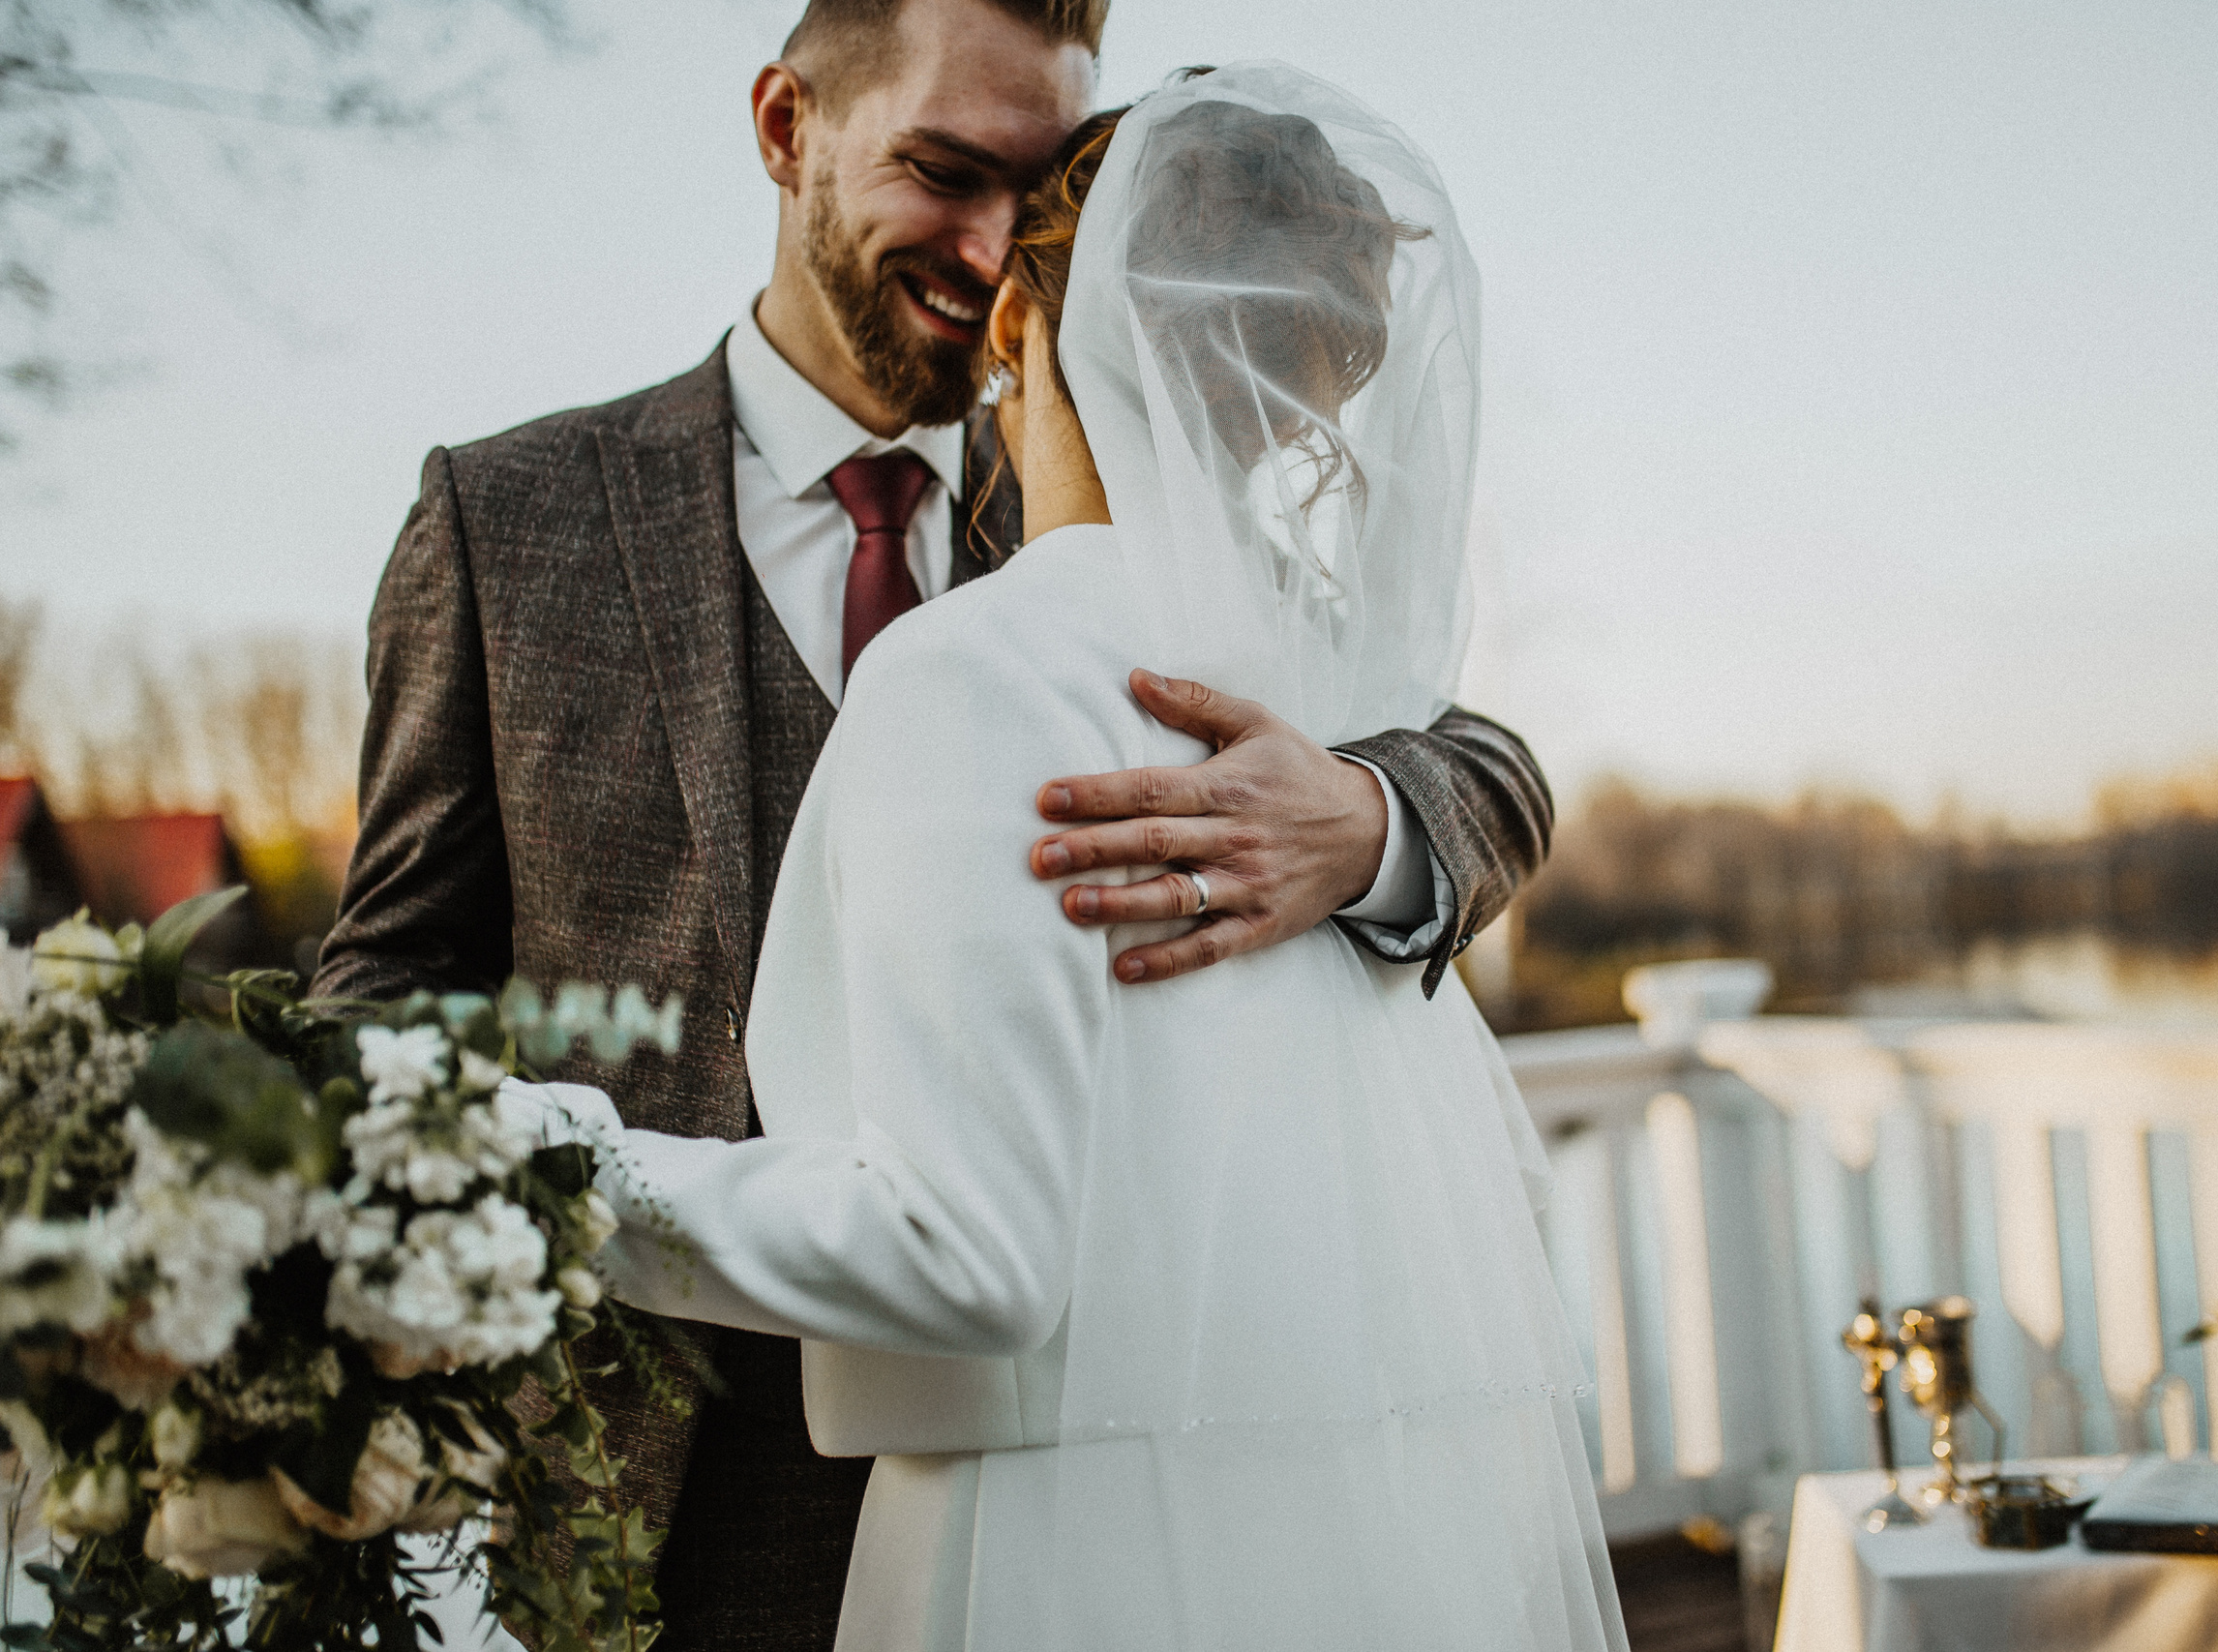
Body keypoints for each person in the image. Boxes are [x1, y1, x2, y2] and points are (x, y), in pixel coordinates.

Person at [314, 1, 1554, 1646]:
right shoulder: (509, 517)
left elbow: (1487, 759)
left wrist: (1367, 814)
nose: (988, 249)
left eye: (1040, 197)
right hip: (647, 1510)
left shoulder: (1162, 530)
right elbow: (389, 984)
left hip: (1079, 1494)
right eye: (944, 171)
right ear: (784, 128)